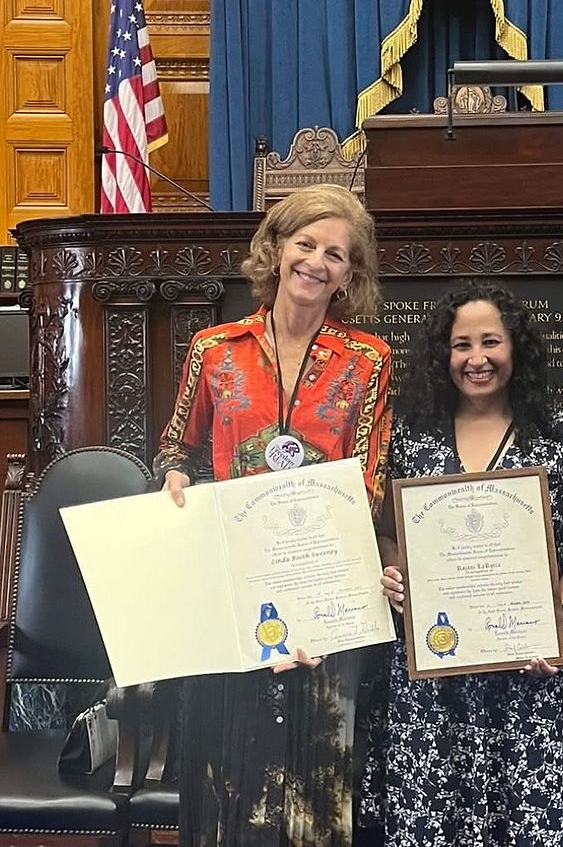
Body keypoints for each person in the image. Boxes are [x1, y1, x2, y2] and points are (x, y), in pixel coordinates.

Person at [154, 186, 392, 847]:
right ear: (276, 248)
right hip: (231, 586)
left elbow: (369, 479)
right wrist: (174, 472)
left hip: (325, 585)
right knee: (228, 765)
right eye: (306, 243)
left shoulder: (367, 359)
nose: (317, 261)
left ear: (351, 273)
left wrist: (305, 581)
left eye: (336, 254)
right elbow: (181, 444)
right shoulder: (214, 348)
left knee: (315, 779)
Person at [361, 281, 563, 847]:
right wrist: (398, 576)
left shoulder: (562, 436)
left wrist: (555, 618)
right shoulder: (407, 438)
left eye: (491, 342)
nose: (477, 359)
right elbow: (386, 536)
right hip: (434, 674)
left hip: (531, 668)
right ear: (441, 355)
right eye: (460, 345)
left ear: (515, 349)